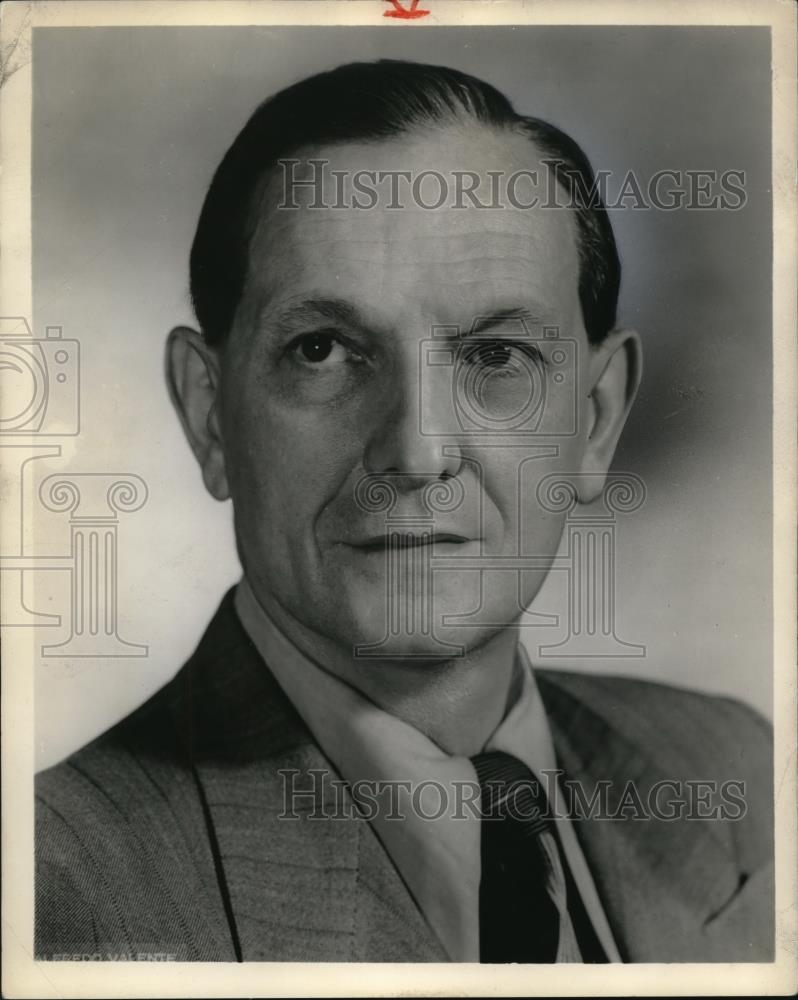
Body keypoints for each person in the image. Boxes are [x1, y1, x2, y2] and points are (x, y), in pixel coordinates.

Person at [35, 60, 773, 963]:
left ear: (593, 420)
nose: (419, 451)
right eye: (322, 350)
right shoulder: (54, 891)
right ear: (208, 413)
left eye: (495, 356)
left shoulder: (738, 769)